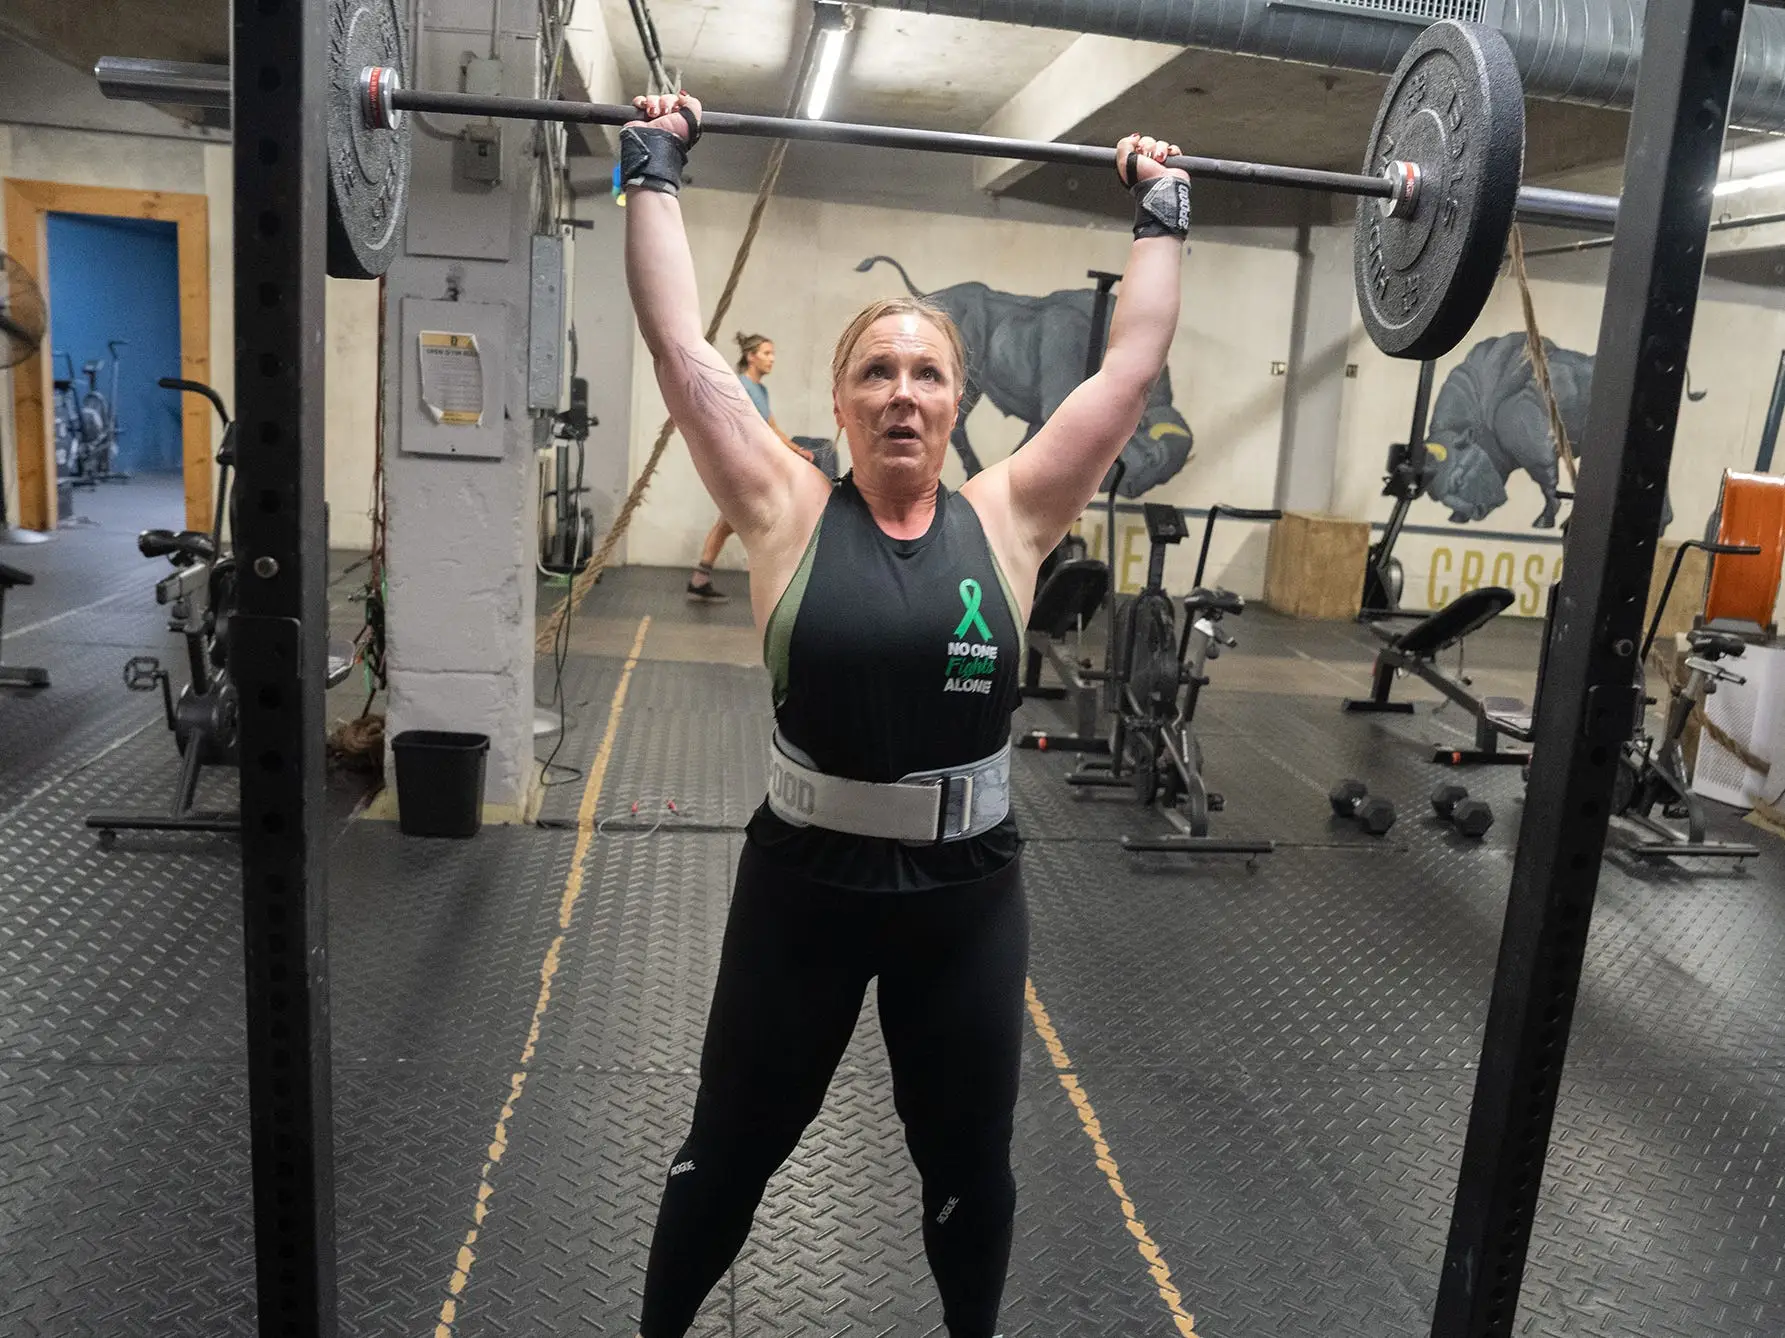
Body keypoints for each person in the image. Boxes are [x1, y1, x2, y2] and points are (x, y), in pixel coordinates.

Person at [620, 90, 1189, 1338]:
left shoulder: (1013, 516)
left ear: (955, 403)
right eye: (875, 372)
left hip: (964, 897)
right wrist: (652, 169)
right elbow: (677, 345)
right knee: (729, 1151)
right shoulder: (782, 505)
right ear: (840, 401)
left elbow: (1129, 369)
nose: (901, 394)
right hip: (802, 885)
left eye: (927, 374)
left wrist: (1161, 210)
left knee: (969, 1168)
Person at [686, 331, 813, 603]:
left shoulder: (760, 390)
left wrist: (795, 450)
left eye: (773, 354)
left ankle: (700, 579)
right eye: (767, 354)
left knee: (727, 523)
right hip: (742, 467)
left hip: (753, 466)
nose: (772, 359)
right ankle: (779, 582)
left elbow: (772, 428)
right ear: (751, 357)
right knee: (760, 520)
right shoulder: (739, 386)